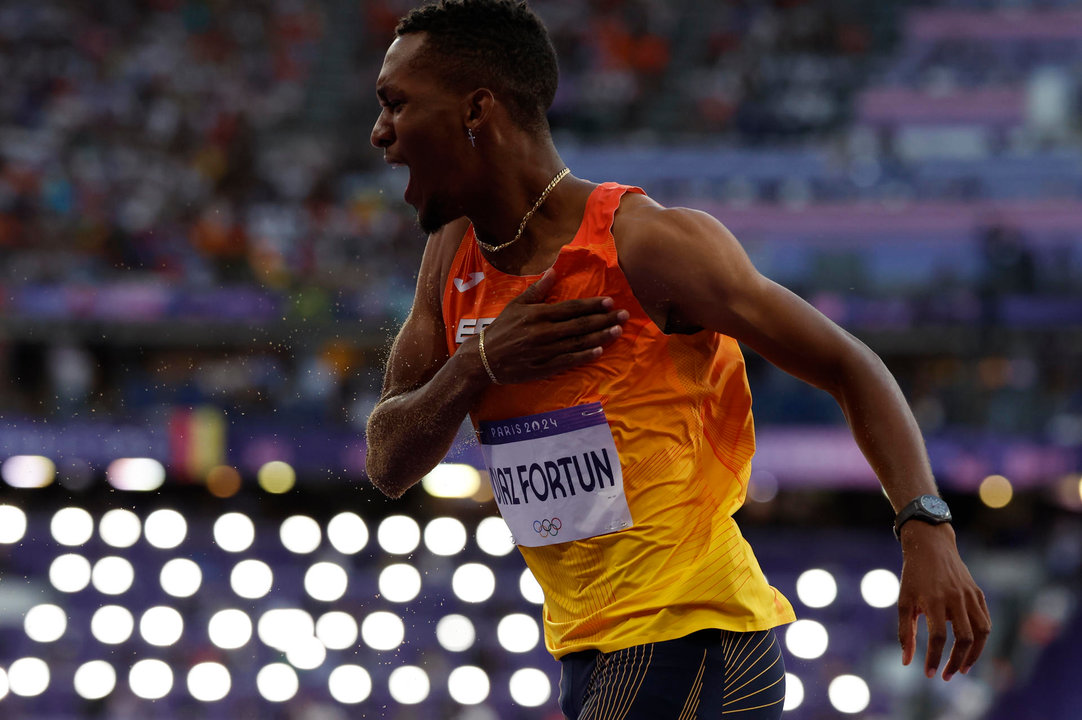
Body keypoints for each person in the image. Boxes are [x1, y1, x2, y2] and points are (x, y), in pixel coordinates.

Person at [364, 2, 991, 718]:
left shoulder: (646, 246)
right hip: (587, 650)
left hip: (694, 632)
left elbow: (849, 364)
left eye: (396, 104)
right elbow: (387, 460)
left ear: (477, 108)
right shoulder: (450, 259)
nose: (380, 133)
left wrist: (927, 528)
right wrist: (479, 364)